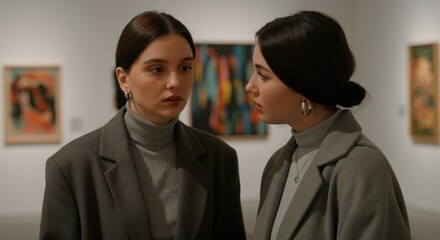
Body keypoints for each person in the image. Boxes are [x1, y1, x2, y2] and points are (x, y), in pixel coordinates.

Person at [39, 11, 246, 240]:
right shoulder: (71, 166)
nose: (175, 82)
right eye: (157, 69)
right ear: (123, 79)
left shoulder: (220, 157)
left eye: (185, 68)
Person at [245, 11, 411, 240]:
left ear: (303, 83)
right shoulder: (277, 164)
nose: (249, 86)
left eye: (263, 75)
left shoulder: (361, 168)